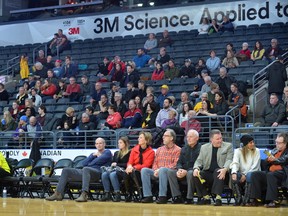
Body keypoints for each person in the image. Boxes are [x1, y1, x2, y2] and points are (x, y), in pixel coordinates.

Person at [46, 138, 112, 202]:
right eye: (97, 143)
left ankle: (84, 194)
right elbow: (83, 163)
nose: (98, 145)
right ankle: (58, 194)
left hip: (98, 174)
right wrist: (92, 156)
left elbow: (96, 162)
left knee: (86, 168)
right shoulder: (93, 154)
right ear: (95, 145)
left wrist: (91, 163)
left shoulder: (107, 152)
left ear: (104, 144)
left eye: (100, 143)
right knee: (66, 170)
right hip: (86, 173)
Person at [193, 129, 233, 206]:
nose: (220, 140)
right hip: (208, 173)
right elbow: (199, 160)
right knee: (196, 174)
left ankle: (218, 198)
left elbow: (229, 160)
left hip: (223, 174)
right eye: (217, 139)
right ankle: (206, 197)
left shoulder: (228, 146)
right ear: (211, 140)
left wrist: (225, 169)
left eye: (221, 138)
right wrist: (196, 168)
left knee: (218, 171)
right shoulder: (204, 147)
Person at [141, 129, 181, 204]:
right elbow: (155, 162)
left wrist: (160, 170)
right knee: (144, 170)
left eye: (166, 136)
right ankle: (148, 196)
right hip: (157, 171)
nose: (163, 137)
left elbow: (175, 164)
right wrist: (156, 170)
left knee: (163, 170)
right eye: (163, 136)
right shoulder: (159, 149)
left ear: (171, 138)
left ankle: (162, 196)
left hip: (169, 172)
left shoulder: (178, 150)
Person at [249, 132, 288, 207]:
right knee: (255, 174)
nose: (277, 144)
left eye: (279, 143)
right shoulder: (274, 150)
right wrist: (267, 160)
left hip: (283, 173)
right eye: (276, 142)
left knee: (271, 175)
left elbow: (284, 160)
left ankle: (273, 200)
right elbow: (265, 164)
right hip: (271, 172)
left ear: (285, 143)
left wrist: (274, 160)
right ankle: (256, 199)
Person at [167, 129, 201, 204]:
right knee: (170, 172)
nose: (188, 138)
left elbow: (200, 164)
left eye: (191, 137)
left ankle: (189, 198)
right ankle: (177, 196)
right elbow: (179, 162)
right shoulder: (184, 149)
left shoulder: (201, 149)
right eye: (187, 136)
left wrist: (186, 171)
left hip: (194, 171)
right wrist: (179, 169)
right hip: (183, 171)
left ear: (197, 138)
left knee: (190, 173)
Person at [230, 134, 261, 206]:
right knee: (234, 175)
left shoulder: (257, 151)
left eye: (253, 142)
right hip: (242, 174)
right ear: (245, 144)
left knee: (250, 175)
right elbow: (235, 163)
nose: (253, 144)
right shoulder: (238, 151)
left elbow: (255, 166)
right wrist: (234, 172)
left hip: (254, 173)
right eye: (250, 143)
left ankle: (246, 199)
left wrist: (246, 175)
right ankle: (238, 198)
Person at [124, 132, 155, 202]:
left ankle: (141, 194)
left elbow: (146, 165)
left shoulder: (151, 152)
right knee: (126, 172)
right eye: (139, 137)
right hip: (133, 169)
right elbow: (130, 161)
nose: (138, 139)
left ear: (146, 140)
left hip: (143, 171)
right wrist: (129, 166)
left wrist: (134, 167)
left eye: (141, 138)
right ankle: (129, 194)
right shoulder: (134, 149)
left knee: (134, 172)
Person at [100, 137, 131, 202]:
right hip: (115, 169)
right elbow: (113, 162)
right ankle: (107, 193)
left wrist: (117, 164)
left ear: (125, 143)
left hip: (124, 171)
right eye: (118, 143)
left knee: (112, 174)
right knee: (104, 174)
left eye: (120, 143)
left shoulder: (130, 153)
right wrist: (113, 164)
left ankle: (117, 193)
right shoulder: (116, 153)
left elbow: (128, 164)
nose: (119, 144)